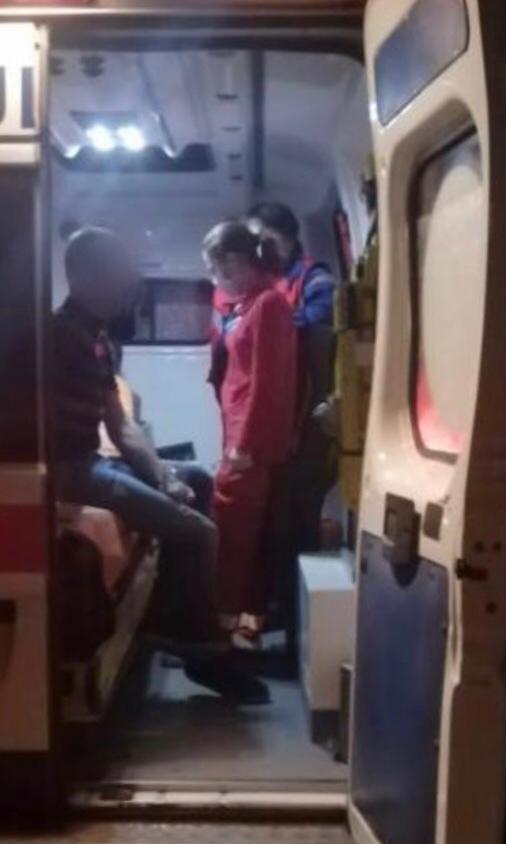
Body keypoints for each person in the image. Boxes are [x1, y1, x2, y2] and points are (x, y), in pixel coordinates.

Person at [52, 227, 267, 703]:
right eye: (117, 274)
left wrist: (165, 478)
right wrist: (160, 484)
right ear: (85, 276)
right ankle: (198, 648)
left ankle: (176, 618)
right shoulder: (57, 338)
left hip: (92, 460)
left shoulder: (96, 337)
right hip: (67, 471)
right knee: (200, 533)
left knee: (196, 479)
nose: (127, 285)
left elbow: (121, 426)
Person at [201, 221, 299, 649]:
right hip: (239, 434)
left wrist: (247, 445)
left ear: (235, 262)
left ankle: (221, 632)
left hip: (249, 443)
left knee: (234, 535)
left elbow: (269, 382)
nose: (216, 279)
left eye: (216, 269)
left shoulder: (269, 305)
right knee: (238, 534)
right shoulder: (250, 305)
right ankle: (236, 625)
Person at [246, 201, 338, 554]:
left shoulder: (315, 280)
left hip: (307, 408)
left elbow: (319, 323)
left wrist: (271, 323)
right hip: (278, 408)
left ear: (287, 238)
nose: (260, 248)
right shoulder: (264, 282)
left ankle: (298, 578)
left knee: (301, 502)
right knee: (274, 506)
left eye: (265, 239)